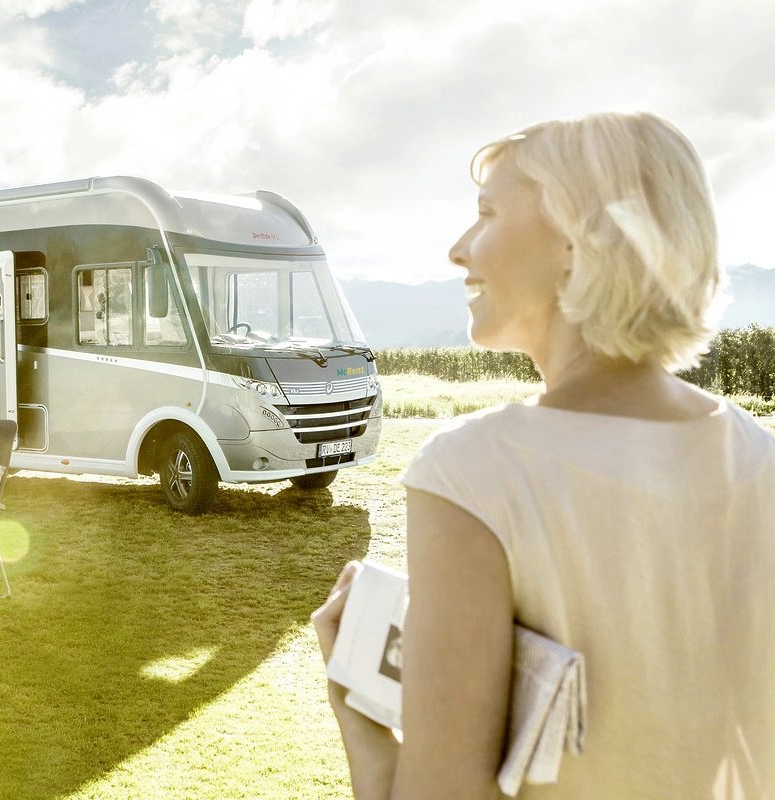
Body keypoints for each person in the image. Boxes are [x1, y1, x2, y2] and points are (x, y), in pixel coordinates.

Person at [313, 111, 775, 799]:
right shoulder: (760, 458)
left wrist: (364, 731)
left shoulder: (472, 472)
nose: (458, 250)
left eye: (487, 213)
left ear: (575, 237)